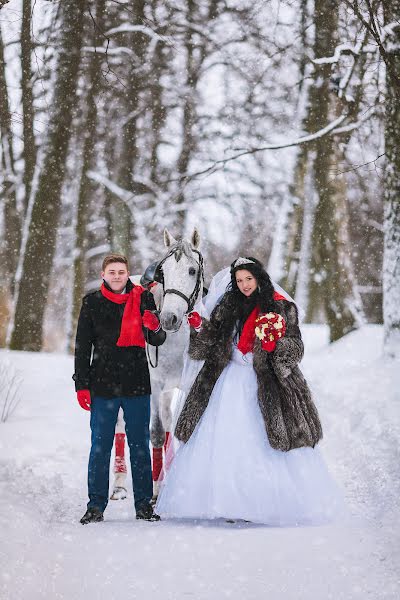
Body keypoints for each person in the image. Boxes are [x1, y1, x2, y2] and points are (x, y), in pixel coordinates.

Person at [156, 257, 344, 525]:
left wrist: (274, 348)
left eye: (249, 279)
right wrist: (200, 326)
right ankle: (226, 502)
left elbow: (295, 347)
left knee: (265, 440)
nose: (244, 285)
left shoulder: (280, 306)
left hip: (264, 381)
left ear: (259, 278)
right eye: (240, 280)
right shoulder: (227, 305)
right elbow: (212, 342)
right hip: (227, 379)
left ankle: (265, 502)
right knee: (224, 442)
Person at [73, 253, 166, 524]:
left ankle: (143, 506)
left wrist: (154, 325)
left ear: (128, 274)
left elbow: (157, 339)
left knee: (140, 446)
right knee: (100, 447)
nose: (117, 276)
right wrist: (82, 385)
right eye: (111, 272)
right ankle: (95, 506)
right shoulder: (92, 303)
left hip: (136, 384)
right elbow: (82, 346)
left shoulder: (143, 298)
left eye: (121, 272)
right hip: (102, 385)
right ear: (103, 275)